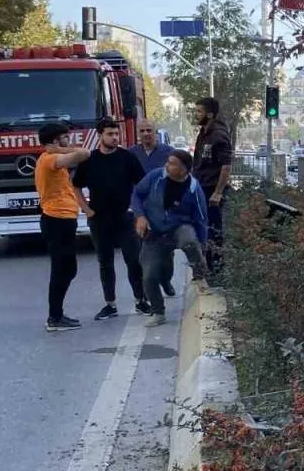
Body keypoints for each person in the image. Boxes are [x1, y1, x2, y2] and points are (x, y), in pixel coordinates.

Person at [73, 118, 150, 321]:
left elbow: (142, 185)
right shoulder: (89, 159)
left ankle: (141, 300)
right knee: (105, 262)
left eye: (117, 134)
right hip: (99, 218)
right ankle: (110, 304)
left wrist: (139, 212)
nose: (115, 137)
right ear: (100, 135)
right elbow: (76, 186)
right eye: (110, 134)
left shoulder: (128, 157)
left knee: (133, 260)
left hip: (125, 217)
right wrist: (86, 210)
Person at [131, 150, 211, 327]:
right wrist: (140, 216)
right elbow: (137, 194)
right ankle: (158, 312)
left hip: (179, 227)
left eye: (172, 163)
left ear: (184, 170)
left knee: (189, 241)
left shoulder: (194, 189)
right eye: (167, 161)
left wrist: (203, 249)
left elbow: (201, 220)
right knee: (149, 275)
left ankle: (199, 275)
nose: (167, 165)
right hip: (154, 231)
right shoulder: (155, 176)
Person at [35, 122, 92, 332]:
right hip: (55, 220)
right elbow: (84, 154)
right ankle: (55, 317)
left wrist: (58, 148)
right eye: (65, 137)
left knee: (68, 269)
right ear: (55, 140)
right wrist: (59, 149)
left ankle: (57, 315)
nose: (69, 141)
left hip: (64, 219)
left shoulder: (52, 158)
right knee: (61, 269)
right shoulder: (50, 159)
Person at [128, 120, 176, 297]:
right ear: (138, 133)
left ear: (155, 132)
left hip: (163, 208)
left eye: (149, 130)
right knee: (144, 250)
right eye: (142, 131)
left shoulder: (168, 152)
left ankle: (166, 279)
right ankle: (149, 287)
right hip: (140, 208)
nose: (146, 134)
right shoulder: (132, 153)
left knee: (167, 250)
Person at [191, 97, 232, 277]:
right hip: (201, 188)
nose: (196, 114)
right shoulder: (204, 132)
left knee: (214, 231)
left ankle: (217, 271)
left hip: (212, 190)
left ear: (210, 114)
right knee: (204, 229)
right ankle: (207, 267)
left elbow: (226, 166)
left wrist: (218, 192)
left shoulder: (218, 135)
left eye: (199, 111)